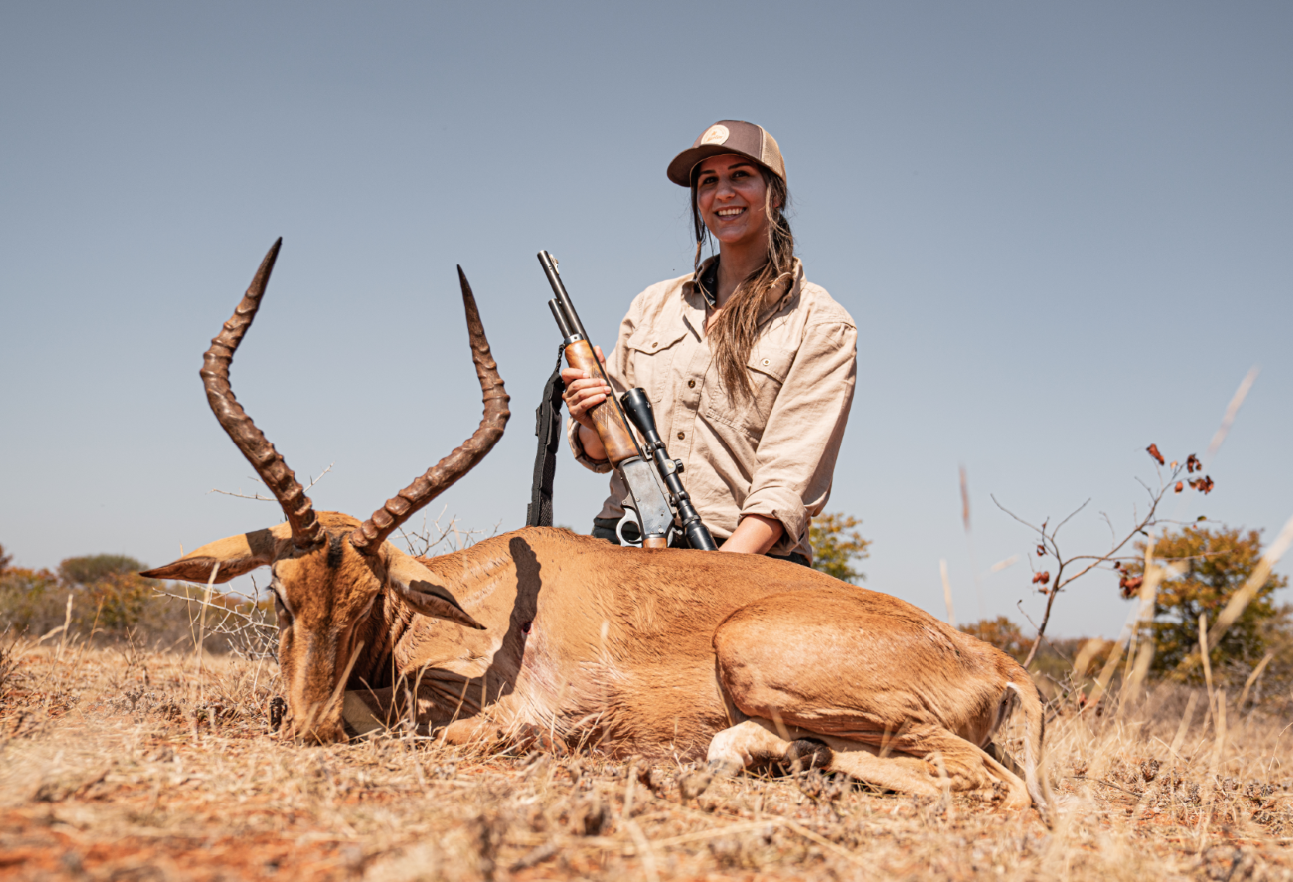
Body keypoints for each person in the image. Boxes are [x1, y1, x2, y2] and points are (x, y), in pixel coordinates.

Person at [563, 120, 856, 566]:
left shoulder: (821, 323)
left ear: (774, 193)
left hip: (740, 558)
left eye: (740, 176)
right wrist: (590, 416)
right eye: (708, 181)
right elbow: (602, 451)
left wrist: (713, 576)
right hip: (625, 540)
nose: (723, 193)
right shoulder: (651, 304)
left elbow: (788, 481)